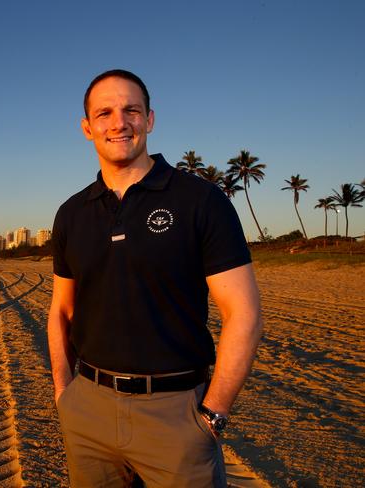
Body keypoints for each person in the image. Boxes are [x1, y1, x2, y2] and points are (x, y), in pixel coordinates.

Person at [48, 69, 262, 487]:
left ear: (150, 119)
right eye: (105, 112)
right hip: (87, 409)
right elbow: (61, 310)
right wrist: (64, 393)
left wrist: (212, 415)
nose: (119, 122)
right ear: (87, 127)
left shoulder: (200, 200)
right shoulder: (70, 214)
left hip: (176, 413)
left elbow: (244, 314)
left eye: (131, 110)